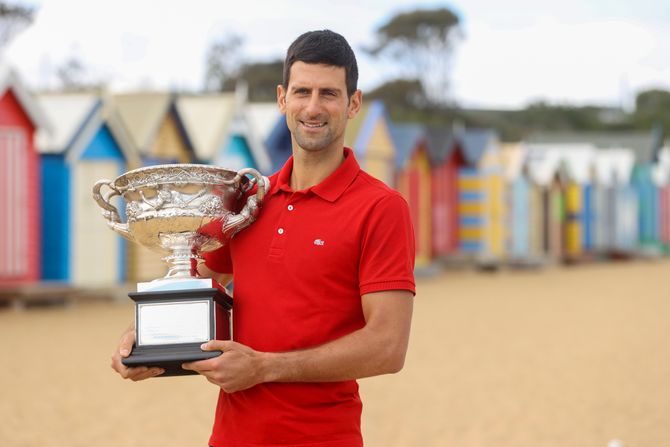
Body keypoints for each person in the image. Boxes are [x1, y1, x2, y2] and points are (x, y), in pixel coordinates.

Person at [111, 29, 416, 447]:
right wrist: (143, 336)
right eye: (302, 91)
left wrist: (265, 367)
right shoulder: (247, 201)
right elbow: (190, 277)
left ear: (353, 103)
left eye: (328, 93)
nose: (313, 107)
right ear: (281, 98)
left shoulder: (382, 207)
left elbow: (387, 347)